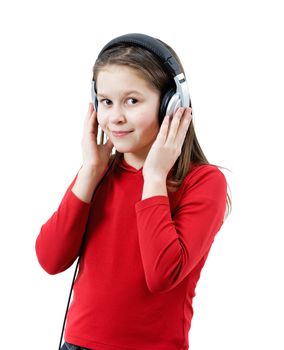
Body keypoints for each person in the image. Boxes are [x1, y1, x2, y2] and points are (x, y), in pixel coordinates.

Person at [35, 33, 232, 350]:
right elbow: (50, 258)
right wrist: (89, 172)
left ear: (171, 105)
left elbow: (163, 274)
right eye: (106, 102)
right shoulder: (99, 172)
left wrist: (153, 178)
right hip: (76, 345)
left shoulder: (204, 182)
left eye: (132, 100)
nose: (115, 117)